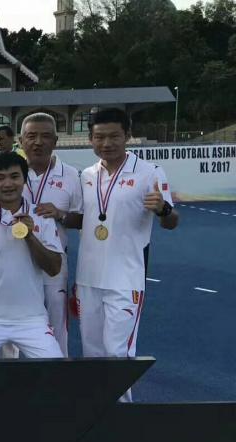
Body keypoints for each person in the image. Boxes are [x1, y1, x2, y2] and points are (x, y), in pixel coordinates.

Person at [72, 108, 178, 402]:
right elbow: (86, 219)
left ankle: (121, 416)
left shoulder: (149, 172)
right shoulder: (87, 175)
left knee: (117, 354)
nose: (107, 143)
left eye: (114, 136)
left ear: (127, 136)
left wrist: (163, 209)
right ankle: (96, 415)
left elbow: (171, 222)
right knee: (93, 354)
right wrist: (57, 215)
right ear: (90, 139)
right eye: (99, 137)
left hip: (126, 279)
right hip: (88, 278)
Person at [0, 151, 64, 359]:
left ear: (24, 180)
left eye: (14, 176)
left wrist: (29, 236)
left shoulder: (41, 216)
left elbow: (54, 268)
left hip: (32, 319)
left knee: (57, 374)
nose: (8, 184)